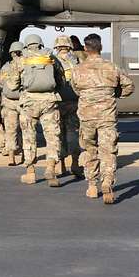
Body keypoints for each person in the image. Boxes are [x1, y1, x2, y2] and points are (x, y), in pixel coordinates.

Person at [71, 33, 135, 204]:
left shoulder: (78, 69)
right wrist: (113, 95)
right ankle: (107, 182)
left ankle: (92, 186)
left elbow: (75, 89)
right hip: (107, 117)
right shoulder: (112, 67)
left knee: (89, 150)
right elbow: (129, 86)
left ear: (85, 48)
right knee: (108, 151)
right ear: (101, 48)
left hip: (86, 118)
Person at [6, 34, 62, 186]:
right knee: (52, 137)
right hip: (49, 102)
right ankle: (51, 168)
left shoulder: (20, 59)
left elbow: (11, 85)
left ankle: (30, 172)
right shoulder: (50, 57)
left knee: (29, 137)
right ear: (40, 44)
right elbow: (60, 79)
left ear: (27, 45)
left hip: (29, 103)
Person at [53, 35, 84, 179]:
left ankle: (61, 166)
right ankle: (75, 164)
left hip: (57, 102)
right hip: (73, 102)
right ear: (69, 46)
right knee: (73, 133)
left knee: (59, 134)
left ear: (57, 46)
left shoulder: (52, 60)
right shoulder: (76, 60)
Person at [0, 41, 24, 166]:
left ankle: (11, 158)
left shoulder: (5, 67)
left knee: (10, 130)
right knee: (26, 129)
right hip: (23, 101)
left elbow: (1, 83)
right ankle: (26, 156)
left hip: (8, 103)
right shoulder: (26, 65)